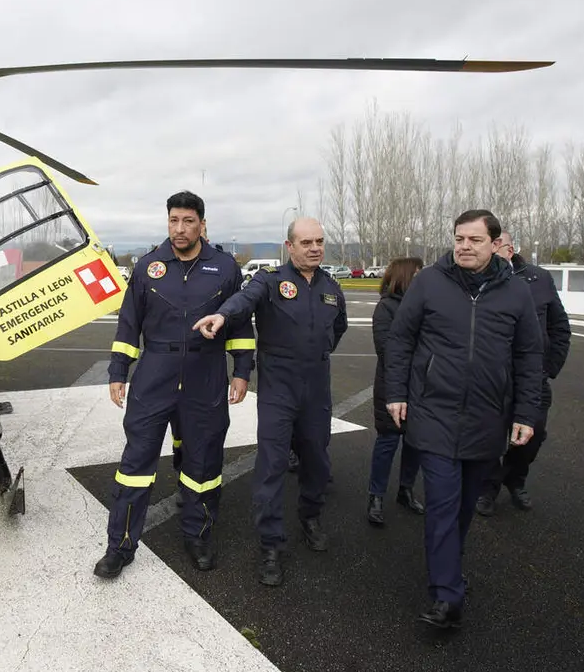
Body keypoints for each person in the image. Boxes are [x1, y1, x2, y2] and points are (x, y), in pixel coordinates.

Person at [384, 209, 542, 629]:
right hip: (434, 413)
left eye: (474, 240)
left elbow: (529, 355)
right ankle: (447, 597)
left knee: (463, 508)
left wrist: (525, 411)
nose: (464, 246)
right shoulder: (429, 283)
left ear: (495, 243)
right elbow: (401, 339)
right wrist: (396, 392)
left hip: (487, 420)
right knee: (441, 505)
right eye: (459, 238)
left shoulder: (516, 293)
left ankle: (448, 570)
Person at [94, 190, 255, 578]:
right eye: (173, 220)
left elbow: (239, 324)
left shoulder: (225, 267)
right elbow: (129, 324)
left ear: (202, 223)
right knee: (135, 463)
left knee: (203, 462)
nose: (179, 229)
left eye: (187, 221)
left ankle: (198, 534)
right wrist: (119, 372)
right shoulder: (148, 266)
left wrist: (242, 371)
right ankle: (120, 546)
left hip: (206, 373)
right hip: (155, 375)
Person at [193, 217, 347, 587]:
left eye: (319, 242)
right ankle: (271, 543)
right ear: (289, 246)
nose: (314, 248)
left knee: (316, 459)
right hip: (279, 391)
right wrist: (222, 315)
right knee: (272, 465)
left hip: (316, 389)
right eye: (306, 242)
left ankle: (310, 516)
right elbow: (243, 301)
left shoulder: (331, 287)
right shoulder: (270, 281)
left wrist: (320, 353)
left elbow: (338, 327)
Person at [477, 231, 571, 515]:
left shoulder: (538, 279)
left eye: (497, 248)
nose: (491, 255)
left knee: (534, 434)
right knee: (490, 435)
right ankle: (488, 488)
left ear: (509, 249)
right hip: (494, 378)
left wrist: (549, 367)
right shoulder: (480, 280)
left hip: (533, 377)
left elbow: (560, 326)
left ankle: (515, 478)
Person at [366, 257, 426, 526]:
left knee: (415, 443)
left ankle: (406, 490)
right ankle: (376, 496)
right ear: (404, 277)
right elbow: (387, 350)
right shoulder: (386, 308)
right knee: (388, 442)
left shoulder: (424, 306)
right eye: (417, 274)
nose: (421, 278)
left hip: (421, 387)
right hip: (391, 386)